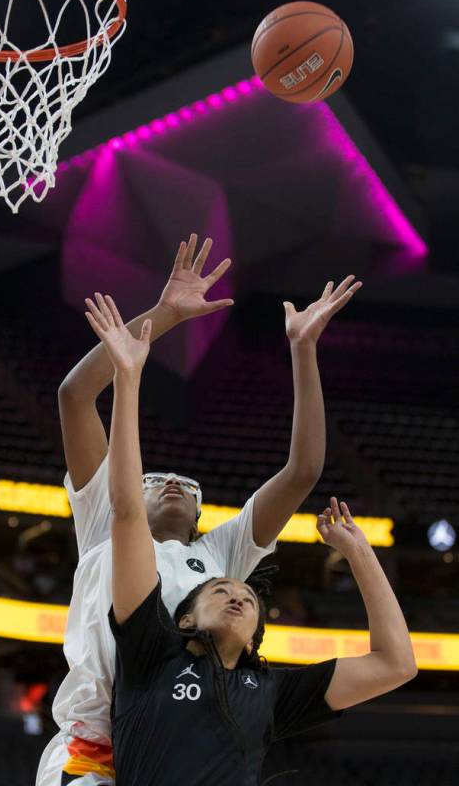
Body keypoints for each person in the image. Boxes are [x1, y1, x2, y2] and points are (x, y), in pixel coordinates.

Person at [36, 234, 361, 786]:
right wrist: (161, 317)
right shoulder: (104, 520)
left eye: (185, 485)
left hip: (179, 738)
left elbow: (303, 470)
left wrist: (304, 351)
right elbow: (74, 395)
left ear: (200, 512)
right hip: (97, 743)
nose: (169, 485)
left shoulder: (221, 556)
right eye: (153, 479)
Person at [85, 292, 418, 786]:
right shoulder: (151, 653)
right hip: (86, 730)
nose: (237, 594)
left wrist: (362, 555)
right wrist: (128, 379)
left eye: (243, 593)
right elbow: (127, 511)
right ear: (185, 617)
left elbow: (395, 665)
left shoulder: (269, 689)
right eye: (222, 590)